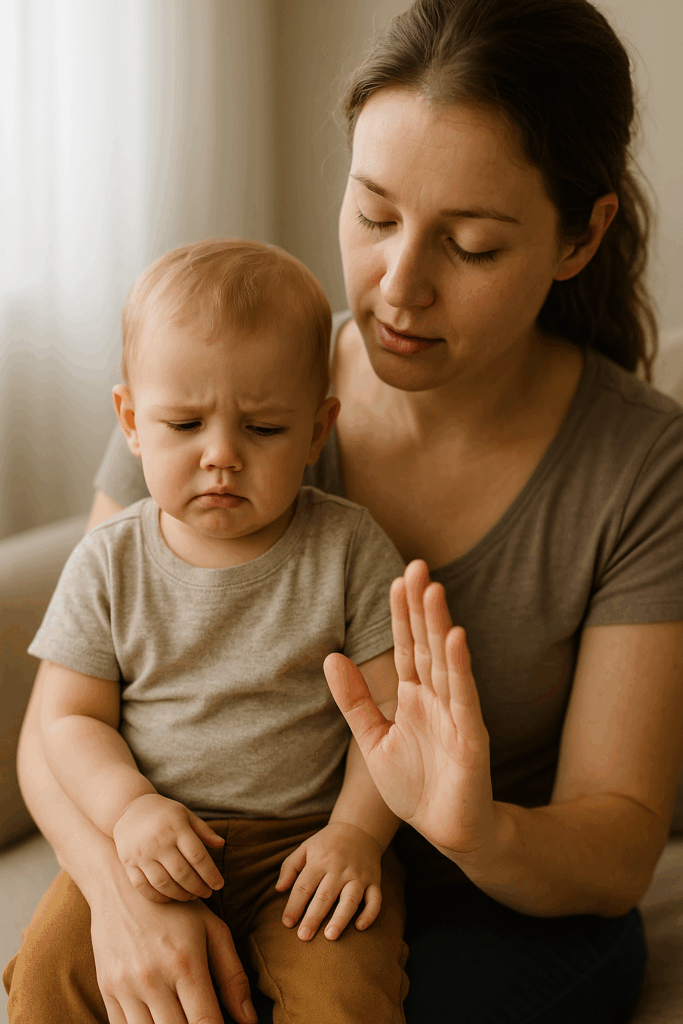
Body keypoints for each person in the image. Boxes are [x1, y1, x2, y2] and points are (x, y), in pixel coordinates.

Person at [5, 0, 683, 1021]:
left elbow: (617, 847)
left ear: (578, 236)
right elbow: (59, 720)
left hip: (491, 899)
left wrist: (464, 827)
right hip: (191, 856)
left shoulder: (641, 465)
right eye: (372, 216)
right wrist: (118, 894)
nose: (397, 288)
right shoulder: (221, 382)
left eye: (470, 245)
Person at [13, 238, 411, 1024]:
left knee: (344, 998)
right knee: (50, 972)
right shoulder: (108, 561)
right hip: (144, 839)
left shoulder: (349, 549)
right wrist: (128, 809)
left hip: (305, 851)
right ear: (132, 422)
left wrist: (356, 836)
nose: (221, 455)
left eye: (262, 428)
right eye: (185, 422)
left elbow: (391, 719)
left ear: (317, 430)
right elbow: (67, 720)